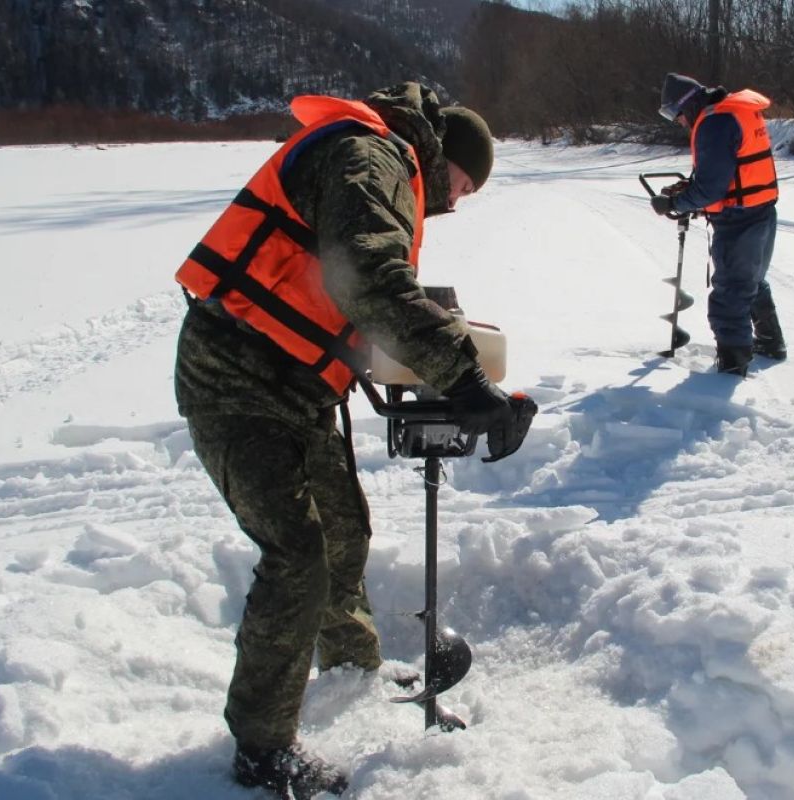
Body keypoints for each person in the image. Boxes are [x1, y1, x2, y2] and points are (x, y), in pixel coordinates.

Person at [173, 83, 528, 799]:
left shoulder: (380, 159)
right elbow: (366, 274)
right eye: (460, 185)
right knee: (297, 555)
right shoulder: (369, 158)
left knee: (343, 530)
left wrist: (428, 347)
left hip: (296, 384)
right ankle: (261, 748)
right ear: (442, 158)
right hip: (236, 380)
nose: (454, 203)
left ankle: (349, 666)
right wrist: (462, 378)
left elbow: (341, 286)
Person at [650, 72, 787, 376]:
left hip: (739, 221)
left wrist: (673, 203)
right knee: (752, 282)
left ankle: (731, 368)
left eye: (677, 114)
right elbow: (731, 172)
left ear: (689, 103)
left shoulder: (713, 123)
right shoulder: (734, 112)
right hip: (762, 211)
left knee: (730, 295)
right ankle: (770, 343)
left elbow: (711, 189)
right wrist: (691, 190)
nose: (680, 122)